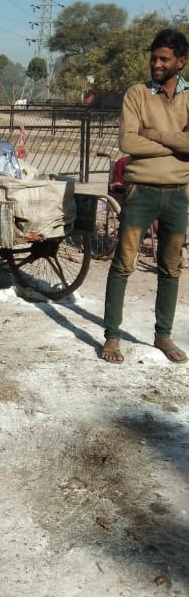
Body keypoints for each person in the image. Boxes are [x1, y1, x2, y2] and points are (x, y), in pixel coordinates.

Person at [101, 28, 189, 364]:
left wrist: (152, 134)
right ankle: (112, 336)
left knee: (171, 267)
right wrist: (177, 143)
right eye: (153, 58)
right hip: (140, 192)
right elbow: (128, 142)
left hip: (178, 194)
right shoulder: (137, 93)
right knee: (123, 264)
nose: (156, 64)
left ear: (181, 62)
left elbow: (142, 139)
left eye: (164, 59)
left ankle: (163, 335)